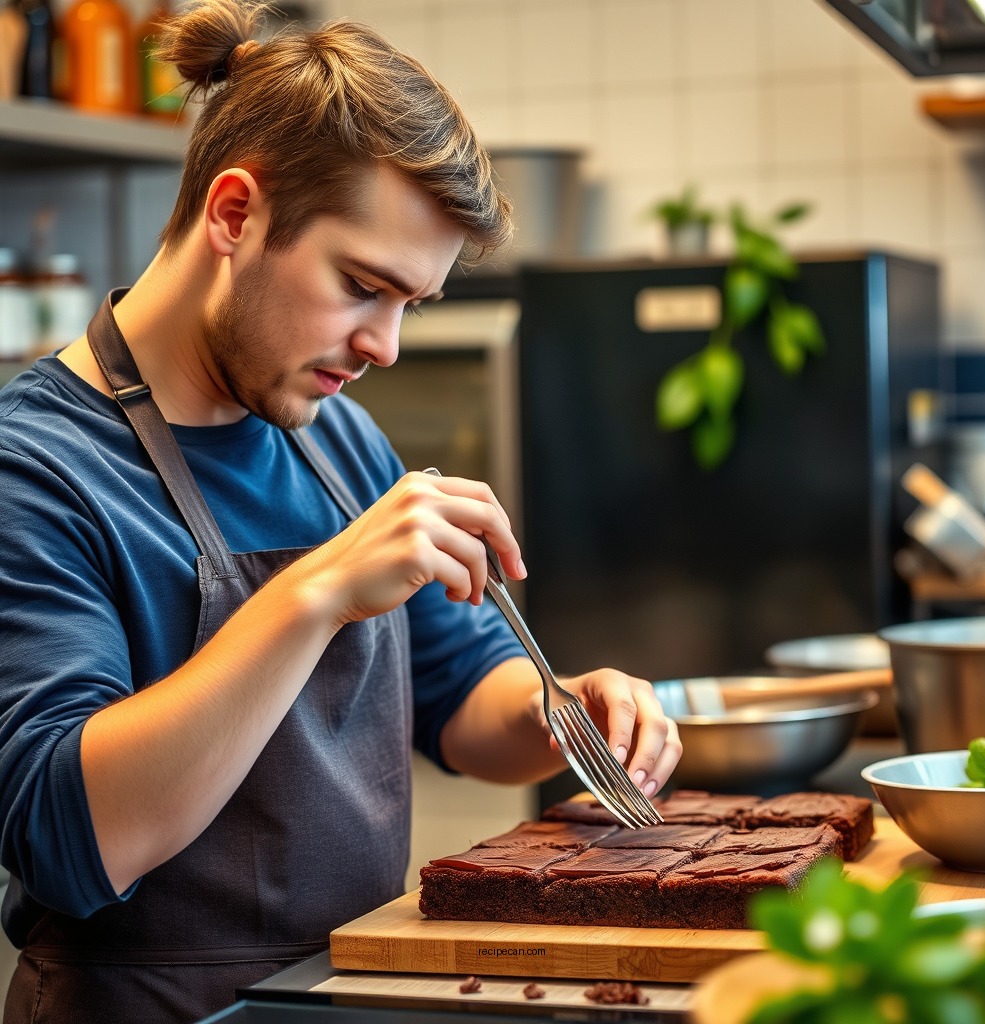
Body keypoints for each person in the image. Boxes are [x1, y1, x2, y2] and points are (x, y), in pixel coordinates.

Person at [0, 1, 682, 1020]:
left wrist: (560, 712)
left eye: (412, 303)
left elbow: (460, 701)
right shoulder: (36, 466)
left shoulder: (337, 440)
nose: (385, 346)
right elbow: (68, 832)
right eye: (363, 286)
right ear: (235, 213)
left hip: (344, 994)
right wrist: (314, 590)